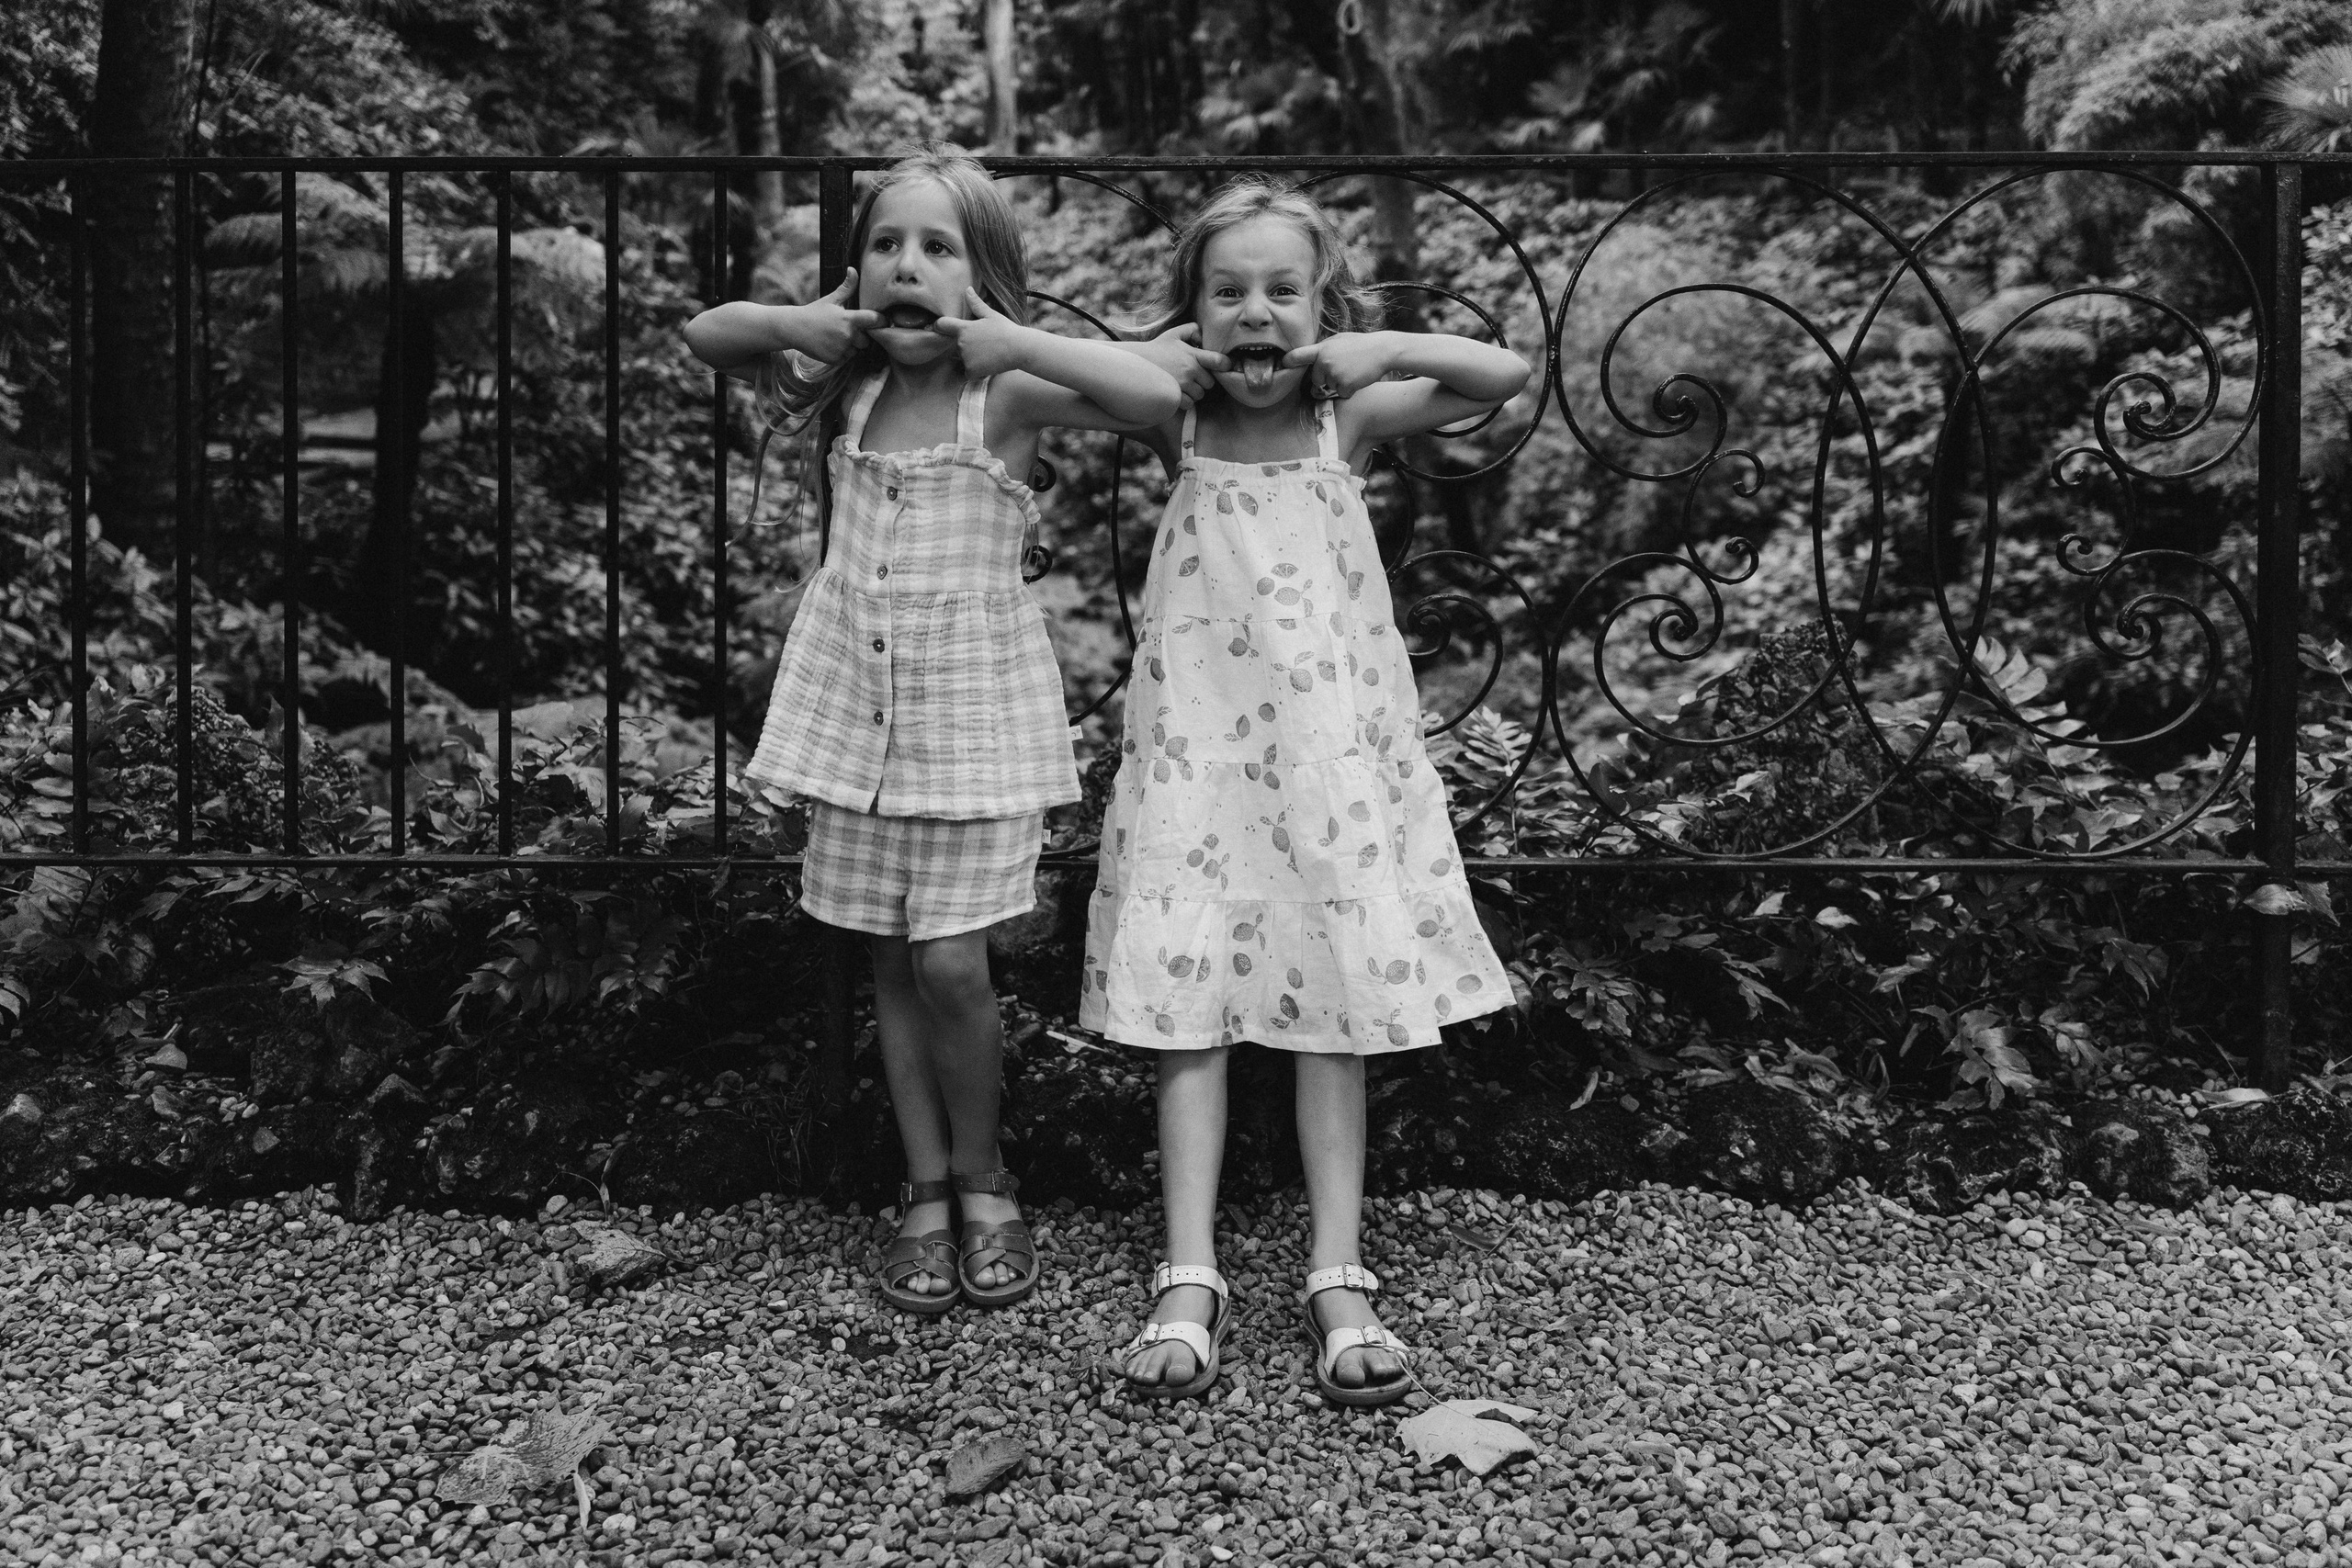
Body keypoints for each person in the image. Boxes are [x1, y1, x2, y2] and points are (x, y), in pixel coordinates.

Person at [684, 143, 1181, 1316]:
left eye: (937, 248)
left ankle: (985, 1175)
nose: (907, 266)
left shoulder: (1000, 394)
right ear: (860, 271)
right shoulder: (846, 385)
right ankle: (921, 1189)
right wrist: (813, 316)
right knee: (890, 965)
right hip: (853, 728)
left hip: (972, 724)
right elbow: (711, 333)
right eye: (886, 246)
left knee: (952, 961)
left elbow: (1164, 390)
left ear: (980, 276)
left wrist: (1014, 339)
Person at [1081, 175, 1526, 1404]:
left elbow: (1506, 377)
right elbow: (1067, 373)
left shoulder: (1352, 422)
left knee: (1335, 1000)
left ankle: (1338, 1265)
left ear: (1320, 309)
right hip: (1200, 758)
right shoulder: (1176, 424)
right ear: (1193, 317)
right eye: (1228, 292)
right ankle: (1189, 1268)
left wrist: (1373, 342)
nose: (1256, 314)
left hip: (1325, 762)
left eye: (1284, 290)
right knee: (1190, 1005)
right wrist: (1164, 357)